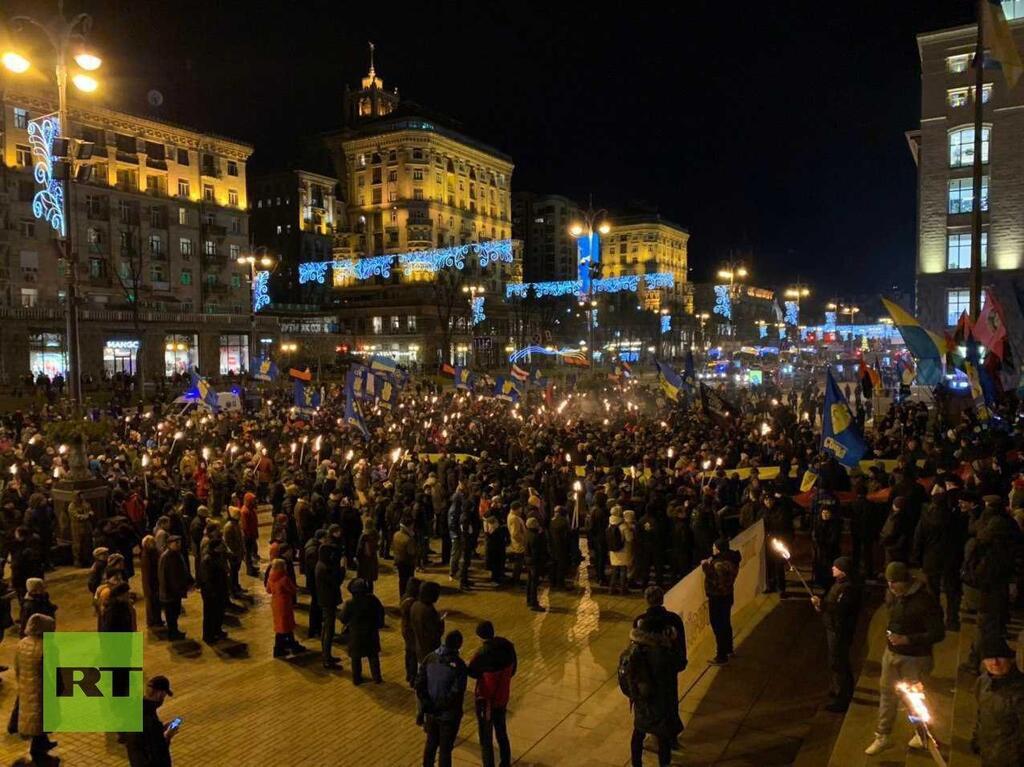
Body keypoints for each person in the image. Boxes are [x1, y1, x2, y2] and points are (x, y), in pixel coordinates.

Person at [864, 561, 946, 755]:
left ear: (906, 581)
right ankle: (882, 735)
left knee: (914, 699)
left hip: (915, 659)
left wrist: (908, 639)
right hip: (891, 654)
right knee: (886, 695)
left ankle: (922, 733)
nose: (891, 587)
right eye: (889, 582)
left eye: (895, 582)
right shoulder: (893, 595)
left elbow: (938, 633)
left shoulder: (925, 601)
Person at [618, 616, 683, 767]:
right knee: (663, 738)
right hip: (658, 701)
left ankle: (636, 764)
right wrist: (672, 641)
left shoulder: (632, 650)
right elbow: (676, 666)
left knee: (639, 732)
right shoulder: (660, 653)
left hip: (640, 700)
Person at [633, 586, 686, 749]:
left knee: (652, 704)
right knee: (670, 700)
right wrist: (680, 662)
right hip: (669, 668)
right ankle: (672, 736)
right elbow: (681, 643)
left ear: (646, 600)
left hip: (649, 672)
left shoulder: (641, 621)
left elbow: (636, 650)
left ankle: (658, 738)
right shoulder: (674, 619)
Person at [811, 556, 861, 712]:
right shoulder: (838, 584)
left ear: (844, 572)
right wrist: (822, 605)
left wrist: (823, 604)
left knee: (840, 663)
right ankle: (838, 688)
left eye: (836, 567)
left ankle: (843, 698)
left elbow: (841, 610)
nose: (833, 568)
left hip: (840, 631)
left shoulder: (848, 588)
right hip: (833, 628)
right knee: (834, 661)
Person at [467, 621, 517, 767]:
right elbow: (513, 669)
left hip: (486, 700)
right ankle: (505, 761)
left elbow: (472, 671)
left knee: (486, 737)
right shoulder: (507, 646)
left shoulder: (482, 653)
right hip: (502, 696)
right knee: (501, 731)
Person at [416, 629, 469, 767]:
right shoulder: (459, 666)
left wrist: (427, 703)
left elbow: (419, 684)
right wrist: (441, 705)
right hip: (448, 715)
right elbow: (457, 692)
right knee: (445, 750)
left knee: (431, 744)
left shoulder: (430, 658)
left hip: (431, 712)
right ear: (459, 645)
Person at [972, 636, 1024, 766]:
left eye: (1000, 657)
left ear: (1010, 659)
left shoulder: (1019, 690)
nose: (995, 663)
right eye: (989, 658)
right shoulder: (983, 682)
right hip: (988, 752)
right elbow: (981, 713)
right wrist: (977, 738)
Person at [14, 613, 56, 763]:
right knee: (40, 721)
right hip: (42, 689)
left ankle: (43, 744)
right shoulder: (45, 647)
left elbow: (17, 668)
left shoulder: (21, 643)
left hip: (27, 688)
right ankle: (40, 756)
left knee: (35, 721)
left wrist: (23, 684)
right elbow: (53, 671)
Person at [339, 577, 385, 685]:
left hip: (356, 635)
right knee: (373, 656)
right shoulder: (373, 600)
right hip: (371, 633)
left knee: (356, 658)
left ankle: (357, 679)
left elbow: (343, 618)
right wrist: (379, 624)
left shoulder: (350, 603)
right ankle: (377, 677)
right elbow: (381, 612)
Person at [702, 537, 740, 665]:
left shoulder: (719, 564)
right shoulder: (732, 559)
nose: (712, 548)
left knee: (718, 625)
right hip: (728, 595)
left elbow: (717, 582)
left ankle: (721, 655)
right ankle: (729, 648)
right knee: (726, 622)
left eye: (714, 547)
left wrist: (706, 568)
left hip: (717, 598)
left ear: (718, 549)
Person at [124, 675, 177, 767]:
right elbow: (159, 753)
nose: (163, 698)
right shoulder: (151, 721)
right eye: (164, 694)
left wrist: (161, 730)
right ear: (159, 694)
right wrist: (168, 736)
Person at [314, 539, 343, 669]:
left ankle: (327, 655)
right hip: (328, 600)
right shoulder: (323, 568)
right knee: (328, 630)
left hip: (326, 599)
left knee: (327, 629)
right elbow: (335, 581)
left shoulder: (321, 565)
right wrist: (342, 568)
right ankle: (326, 658)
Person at [267, 558, 304, 658]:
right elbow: (292, 590)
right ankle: (279, 649)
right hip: (284, 604)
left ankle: (290, 645)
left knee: (281, 626)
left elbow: (268, 590)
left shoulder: (271, 577)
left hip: (275, 603)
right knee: (285, 627)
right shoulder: (284, 578)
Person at [158, 536, 192, 640]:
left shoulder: (176, 554)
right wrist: (173, 590)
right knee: (171, 615)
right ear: (169, 544)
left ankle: (175, 631)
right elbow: (165, 576)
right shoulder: (166, 557)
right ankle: (172, 633)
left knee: (175, 612)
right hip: (170, 592)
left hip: (176, 591)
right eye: (176, 543)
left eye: (179, 542)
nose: (178, 545)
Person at [410, 580, 445, 664]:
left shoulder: (415, 605)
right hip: (430, 649)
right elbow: (435, 633)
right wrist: (441, 621)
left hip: (419, 646)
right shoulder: (429, 611)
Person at [400, 577, 423, 686]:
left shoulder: (405, 597)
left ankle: (409, 675)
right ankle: (412, 677)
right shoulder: (411, 602)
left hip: (406, 630)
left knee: (409, 653)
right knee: (413, 655)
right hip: (411, 631)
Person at [139, 535, 163, 628]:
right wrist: (148, 588)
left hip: (154, 583)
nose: (153, 544)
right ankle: (153, 621)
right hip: (151, 584)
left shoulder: (153, 553)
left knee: (156, 604)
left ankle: (157, 620)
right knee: (152, 604)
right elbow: (147, 573)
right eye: (151, 542)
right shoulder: (146, 555)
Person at [524, 517, 548, 611]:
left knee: (530, 581)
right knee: (534, 582)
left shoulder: (528, 533)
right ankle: (534, 603)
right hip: (534, 562)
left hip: (528, 561)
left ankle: (529, 600)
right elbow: (537, 551)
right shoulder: (535, 537)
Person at [392, 517, 418, 600]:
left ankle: (402, 597)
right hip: (407, 563)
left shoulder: (396, 534)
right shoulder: (408, 539)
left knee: (402, 581)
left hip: (399, 561)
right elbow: (411, 552)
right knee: (408, 582)